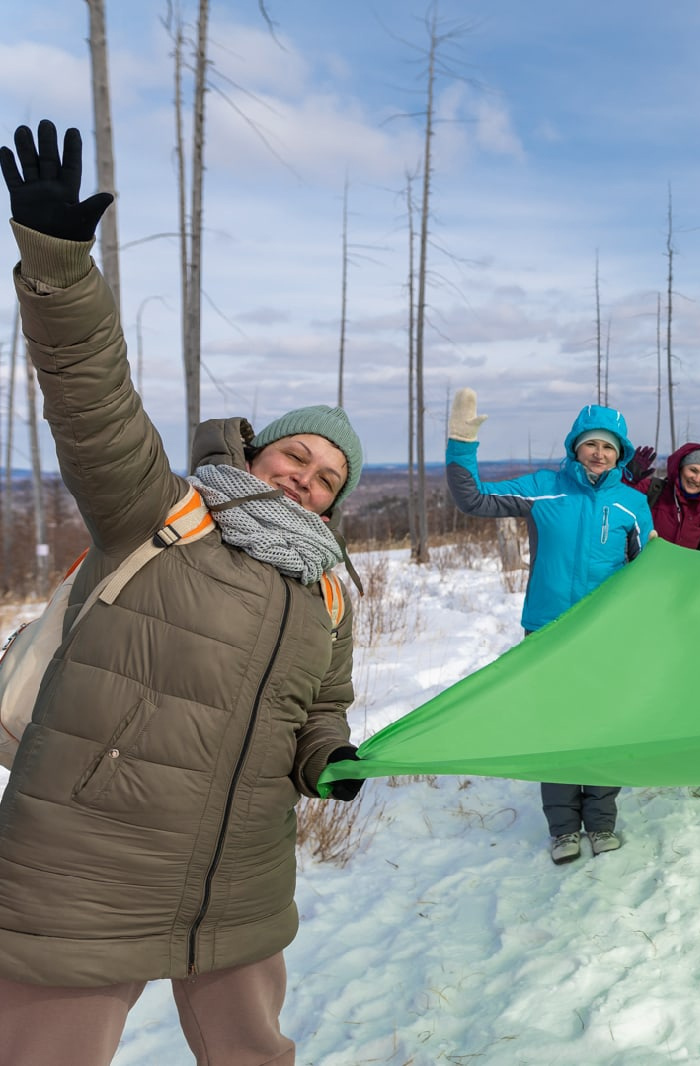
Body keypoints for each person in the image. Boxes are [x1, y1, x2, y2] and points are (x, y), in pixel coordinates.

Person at [0, 120, 364, 1066]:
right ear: (256, 453)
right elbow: (93, 397)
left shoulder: (327, 592)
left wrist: (330, 758)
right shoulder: (163, 512)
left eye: (328, 478)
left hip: (237, 867)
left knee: (252, 1055)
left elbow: (320, 708)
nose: (306, 479)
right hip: (89, 852)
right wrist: (58, 268)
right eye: (297, 454)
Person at [445, 389, 653, 865]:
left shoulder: (630, 505)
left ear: (618, 454)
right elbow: (474, 499)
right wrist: (461, 445)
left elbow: (647, 571)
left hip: (606, 635)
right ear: (574, 447)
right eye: (590, 444)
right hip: (548, 632)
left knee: (604, 728)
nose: (599, 454)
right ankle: (563, 829)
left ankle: (601, 823)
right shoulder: (545, 487)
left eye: (608, 447)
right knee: (556, 729)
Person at [637, 442, 700, 553]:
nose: (696, 479)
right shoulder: (653, 490)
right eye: (693, 470)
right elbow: (616, 495)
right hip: (643, 567)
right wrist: (628, 478)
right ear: (680, 468)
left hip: (681, 570)